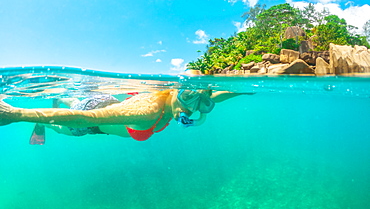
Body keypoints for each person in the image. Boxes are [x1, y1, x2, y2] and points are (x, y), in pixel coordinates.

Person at [0, 89, 245, 144]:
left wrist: (244, 90)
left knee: (74, 103)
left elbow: (214, 95)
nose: (191, 107)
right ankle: (40, 118)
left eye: (202, 103)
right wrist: (16, 113)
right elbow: (83, 119)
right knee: (64, 128)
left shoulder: (173, 98)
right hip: (89, 120)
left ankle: (58, 100)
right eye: (189, 96)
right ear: (179, 90)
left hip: (103, 101)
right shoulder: (146, 111)